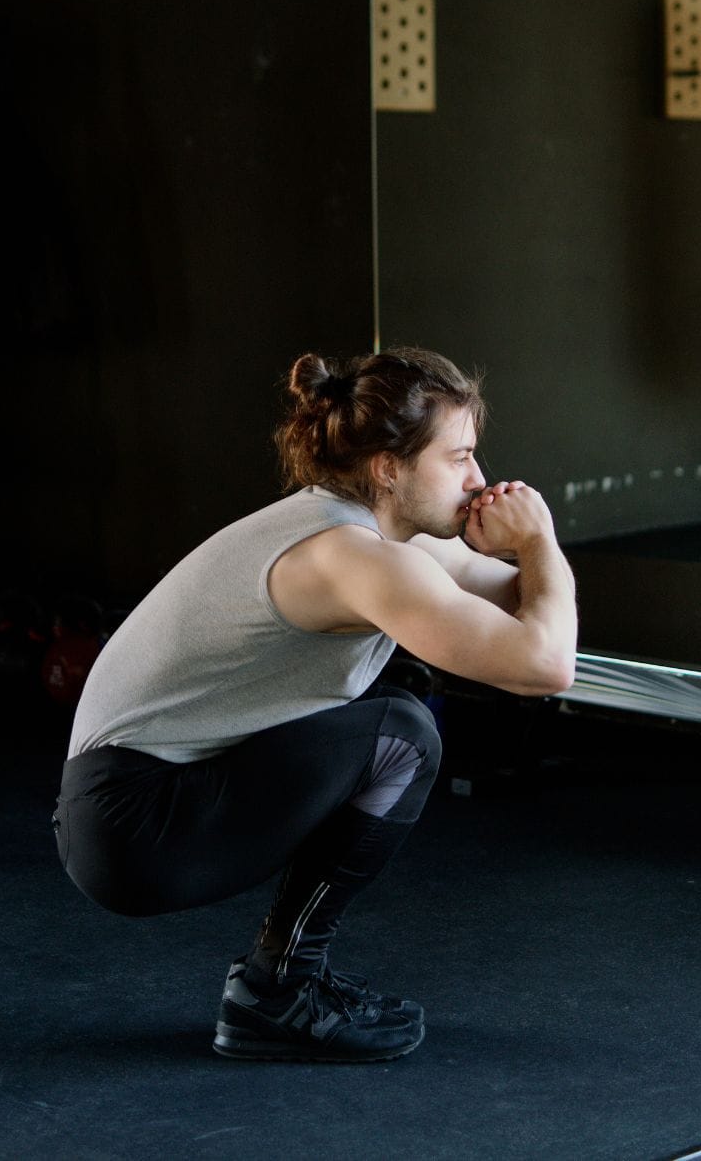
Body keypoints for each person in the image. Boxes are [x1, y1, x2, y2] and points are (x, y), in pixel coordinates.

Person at [53, 346, 577, 1063]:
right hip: (133, 824)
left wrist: (527, 555)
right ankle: (277, 990)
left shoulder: (371, 534)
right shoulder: (349, 556)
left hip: (133, 809)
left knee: (398, 715)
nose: (479, 479)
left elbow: (531, 607)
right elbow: (544, 664)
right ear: (388, 468)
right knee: (400, 731)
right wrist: (539, 538)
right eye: (459, 458)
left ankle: (277, 982)